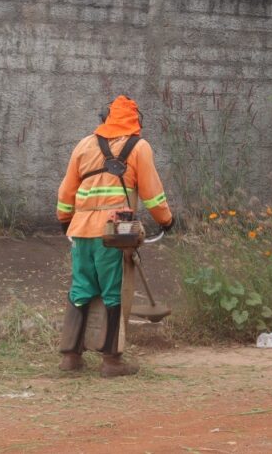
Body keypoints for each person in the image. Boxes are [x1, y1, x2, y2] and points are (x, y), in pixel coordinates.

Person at [55, 95, 175, 377]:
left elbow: (65, 193)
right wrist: (166, 221)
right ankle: (112, 362)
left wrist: (65, 221)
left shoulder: (84, 145)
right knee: (113, 292)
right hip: (115, 232)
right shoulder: (139, 147)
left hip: (81, 231)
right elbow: (152, 194)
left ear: (105, 118)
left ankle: (70, 357)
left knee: (81, 289)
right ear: (136, 121)